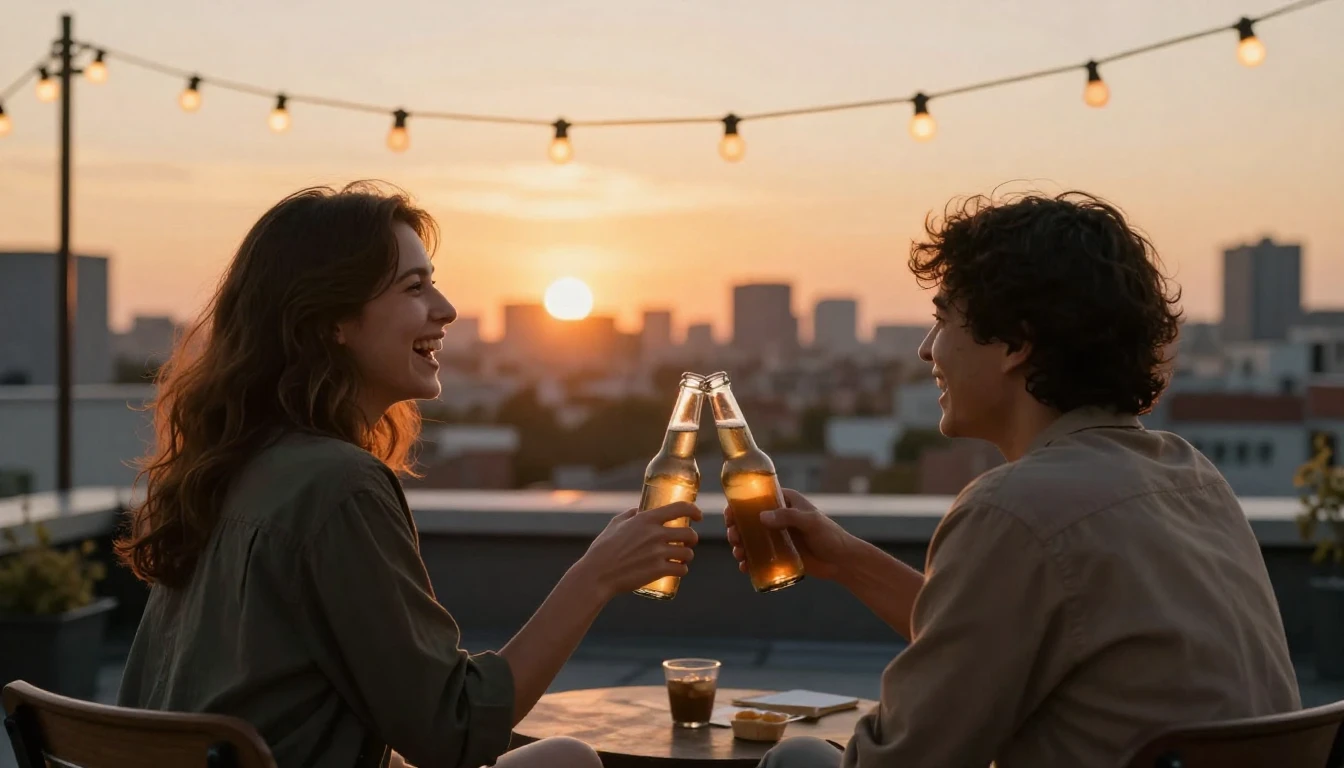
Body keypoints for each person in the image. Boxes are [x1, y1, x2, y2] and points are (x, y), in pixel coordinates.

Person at [115, 182, 701, 768]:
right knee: (569, 761)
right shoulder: (338, 486)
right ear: (331, 322)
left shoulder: (225, 468)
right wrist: (595, 576)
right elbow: (455, 731)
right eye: (414, 287)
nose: (445, 310)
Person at [746, 191, 1301, 767]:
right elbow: (1002, 642)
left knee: (799, 758)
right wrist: (846, 561)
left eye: (942, 320)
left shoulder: (1013, 510)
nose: (925, 350)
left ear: (1015, 343)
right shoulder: (1192, 478)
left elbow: (904, 760)